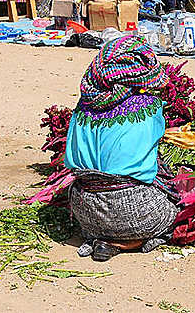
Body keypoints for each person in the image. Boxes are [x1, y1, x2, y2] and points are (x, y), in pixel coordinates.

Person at [64, 35, 179, 262]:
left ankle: (102, 238)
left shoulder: (81, 108)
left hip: (84, 211)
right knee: (179, 209)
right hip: (138, 210)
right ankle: (127, 242)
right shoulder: (149, 107)